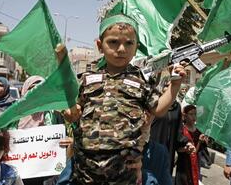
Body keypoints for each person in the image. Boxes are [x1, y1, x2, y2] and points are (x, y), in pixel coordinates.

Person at [63, 12, 186, 185]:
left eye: (129, 43)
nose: (121, 49)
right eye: (113, 42)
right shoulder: (86, 80)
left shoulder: (141, 81)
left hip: (123, 174)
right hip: (85, 172)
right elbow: (75, 111)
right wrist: (70, 114)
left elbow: (158, 109)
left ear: (136, 48)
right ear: (100, 45)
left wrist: (175, 85)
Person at [16, 76, 72, 185]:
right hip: (20, 175)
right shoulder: (14, 117)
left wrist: (70, 142)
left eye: (41, 88)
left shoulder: (56, 114)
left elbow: (69, 139)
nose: (37, 91)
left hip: (49, 174)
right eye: (32, 88)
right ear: (24, 90)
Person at [175, 104, 208, 185]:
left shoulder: (198, 132)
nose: (194, 117)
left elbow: (195, 151)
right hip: (183, 164)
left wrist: (201, 141)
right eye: (191, 114)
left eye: (195, 114)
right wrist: (186, 149)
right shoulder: (181, 130)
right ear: (185, 116)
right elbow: (178, 149)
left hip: (195, 163)